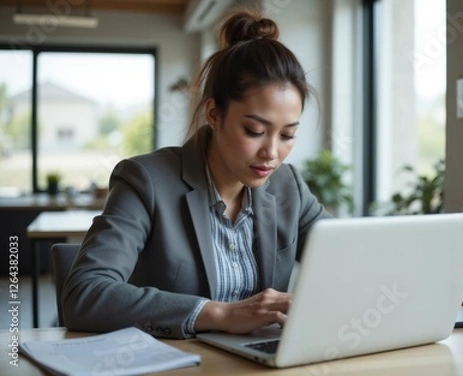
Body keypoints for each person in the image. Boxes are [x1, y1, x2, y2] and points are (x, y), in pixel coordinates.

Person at [62, 9, 331, 339]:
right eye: (255, 130)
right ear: (214, 115)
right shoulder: (145, 181)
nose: (272, 153)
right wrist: (219, 313)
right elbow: (84, 294)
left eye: (287, 135)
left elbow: (349, 261)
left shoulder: (289, 186)